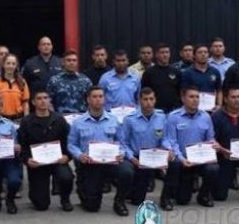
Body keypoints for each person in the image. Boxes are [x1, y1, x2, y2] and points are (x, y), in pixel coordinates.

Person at [67, 86, 128, 215]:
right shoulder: (78, 122)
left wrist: (121, 154)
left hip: (111, 162)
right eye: (94, 97)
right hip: (90, 163)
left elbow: (122, 143)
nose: (98, 100)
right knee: (92, 207)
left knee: (127, 172)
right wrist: (80, 155)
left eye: (100, 96)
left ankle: (119, 202)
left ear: (104, 99)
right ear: (88, 100)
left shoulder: (113, 120)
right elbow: (71, 144)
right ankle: (83, 187)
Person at [163, 87, 220, 208]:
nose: (195, 100)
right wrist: (182, 158)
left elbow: (210, 139)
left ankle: (203, 195)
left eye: (197, 97)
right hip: (183, 160)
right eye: (191, 97)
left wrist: (214, 145)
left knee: (213, 168)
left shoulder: (206, 117)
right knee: (182, 200)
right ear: (183, 99)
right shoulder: (173, 117)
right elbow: (171, 142)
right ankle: (166, 197)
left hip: (200, 159)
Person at [18, 90, 74, 212]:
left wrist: (67, 156)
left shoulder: (59, 120)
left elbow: (69, 142)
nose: (43, 101)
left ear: (49, 100)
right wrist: (27, 160)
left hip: (57, 160)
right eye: (39, 98)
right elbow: (23, 145)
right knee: (41, 205)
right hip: (37, 163)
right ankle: (35, 195)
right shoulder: (26, 122)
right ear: (33, 102)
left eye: (45, 98)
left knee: (66, 177)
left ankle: (65, 199)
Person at [119, 88, 176, 208]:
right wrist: (131, 157)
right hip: (137, 156)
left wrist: (168, 149)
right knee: (137, 200)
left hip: (156, 155)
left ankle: (166, 198)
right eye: (145, 99)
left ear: (155, 100)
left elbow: (165, 138)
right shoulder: (130, 119)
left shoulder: (161, 117)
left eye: (151, 99)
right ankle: (132, 192)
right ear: (139, 100)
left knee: (175, 163)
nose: (148, 102)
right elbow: (123, 143)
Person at [46, 50, 92, 114]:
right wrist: (55, 118)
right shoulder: (54, 81)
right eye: (69, 60)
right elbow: (48, 101)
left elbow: (91, 101)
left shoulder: (85, 80)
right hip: (61, 118)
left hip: (81, 117)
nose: (71, 63)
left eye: (74, 60)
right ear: (63, 62)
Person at [141, 43, 182, 113]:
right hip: (156, 111)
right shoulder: (149, 73)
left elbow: (181, 92)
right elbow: (144, 92)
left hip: (174, 111)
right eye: (162, 52)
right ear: (156, 55)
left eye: (167, 52)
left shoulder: (176, 72)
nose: (165, 55)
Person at [0, 53, 30, 121]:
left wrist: (26, 120)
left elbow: (25, 103)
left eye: (13, 64)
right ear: (3, 65)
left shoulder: (22, 82)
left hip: (18, 119)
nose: (11, 66)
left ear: (16, 66)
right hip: (0, 120)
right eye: (8, 63)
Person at [181, 44, 223, 110]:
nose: (203, 54)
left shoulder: (215, 72)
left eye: (205, 52)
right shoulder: (187, 73)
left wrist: (219, 105)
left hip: (212, 109)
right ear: (194, 55)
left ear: (208, 55)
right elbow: (183, 92)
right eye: (200, 52)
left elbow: (219, 90)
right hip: (194, 109)